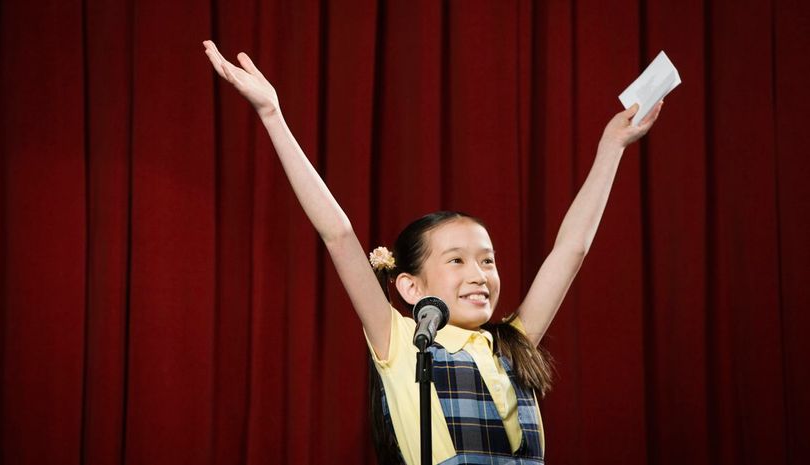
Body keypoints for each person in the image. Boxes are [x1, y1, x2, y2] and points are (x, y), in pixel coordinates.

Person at [202, 40, 663, 465]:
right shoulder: (400, 342)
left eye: (487, 260)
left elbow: (572, 248)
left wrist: (610, 148)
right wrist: (272, 116)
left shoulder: (512, 344)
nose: (480, 273)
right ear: (409, 285)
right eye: (457, 260)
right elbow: (338, 234)